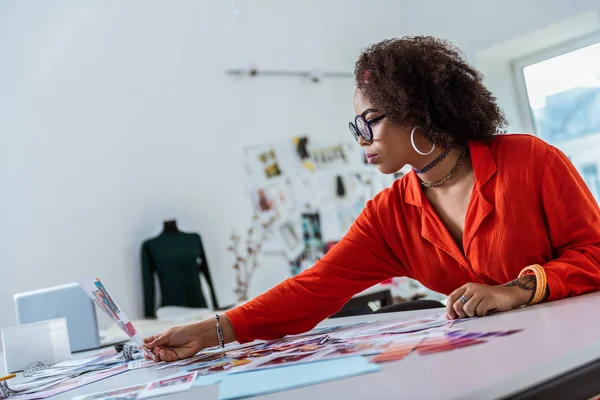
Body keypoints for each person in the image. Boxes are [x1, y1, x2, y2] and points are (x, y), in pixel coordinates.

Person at [143, 36, 600, 362]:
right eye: (355, 127)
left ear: (417, 110)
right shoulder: (389, 214)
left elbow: (594, 254)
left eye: (370, 121)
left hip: (579, 358)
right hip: (497, 366)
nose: (361, 138)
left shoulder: (529, 159)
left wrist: (514, 291)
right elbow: (313, 289)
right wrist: (210, 331)